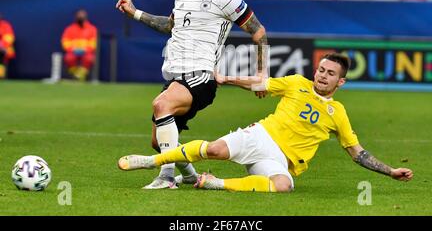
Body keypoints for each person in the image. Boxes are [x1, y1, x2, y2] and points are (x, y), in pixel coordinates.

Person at [118, 53, 414, 192]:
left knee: (283, 185)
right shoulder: (296, 83)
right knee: (215, 150)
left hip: (280, 159)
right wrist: (228, 79)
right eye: (321, 69)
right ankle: (153, 161)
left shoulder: (338, 113)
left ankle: (215, 183)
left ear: (341, 81)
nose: (322, 75)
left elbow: (357, 152)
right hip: (261, 136)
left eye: (330, 73)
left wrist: (390, 172)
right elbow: (260, 84)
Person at [115, 0, 268, 189]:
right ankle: (189, 175)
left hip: (200, 76)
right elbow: (169, 26)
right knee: (159, 142)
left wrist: (262, 74)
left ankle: (165, 177)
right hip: (177, 77)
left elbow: (258, 31)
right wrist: (135, 13)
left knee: (161, 104)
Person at [61, 9, 98, 81]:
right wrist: (73, 49)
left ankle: (81, 75)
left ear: (86, 17)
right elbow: (65, 42)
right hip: (72, 52)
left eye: (82, 15)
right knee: (68, 58)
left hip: (86, 52)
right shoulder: (70, 29)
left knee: (89, 58)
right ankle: (75, 74)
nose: (80, 17)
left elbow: (93, 44)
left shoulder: (92, 29)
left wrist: (85, 50)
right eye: (79, 15)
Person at [0, 14, 16, 79]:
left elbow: (10, 37)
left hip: (3, 50)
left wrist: (1, 44)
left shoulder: (5, 25)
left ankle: (1, 75)